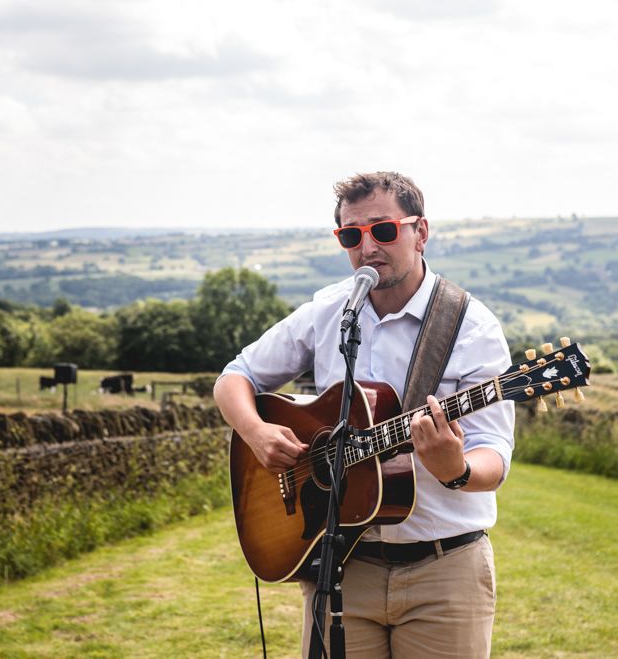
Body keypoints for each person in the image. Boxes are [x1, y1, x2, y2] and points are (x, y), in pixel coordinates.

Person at [213, 171, 515, 658]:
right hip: (340, 564)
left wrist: (455, 470)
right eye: (352, 235)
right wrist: (256, 432)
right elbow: (235, 377)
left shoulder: (470, 327)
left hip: (445, 569)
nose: (368, 246)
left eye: (384, 229)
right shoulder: (330, 311)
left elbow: (494, 458)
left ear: (421, 232)